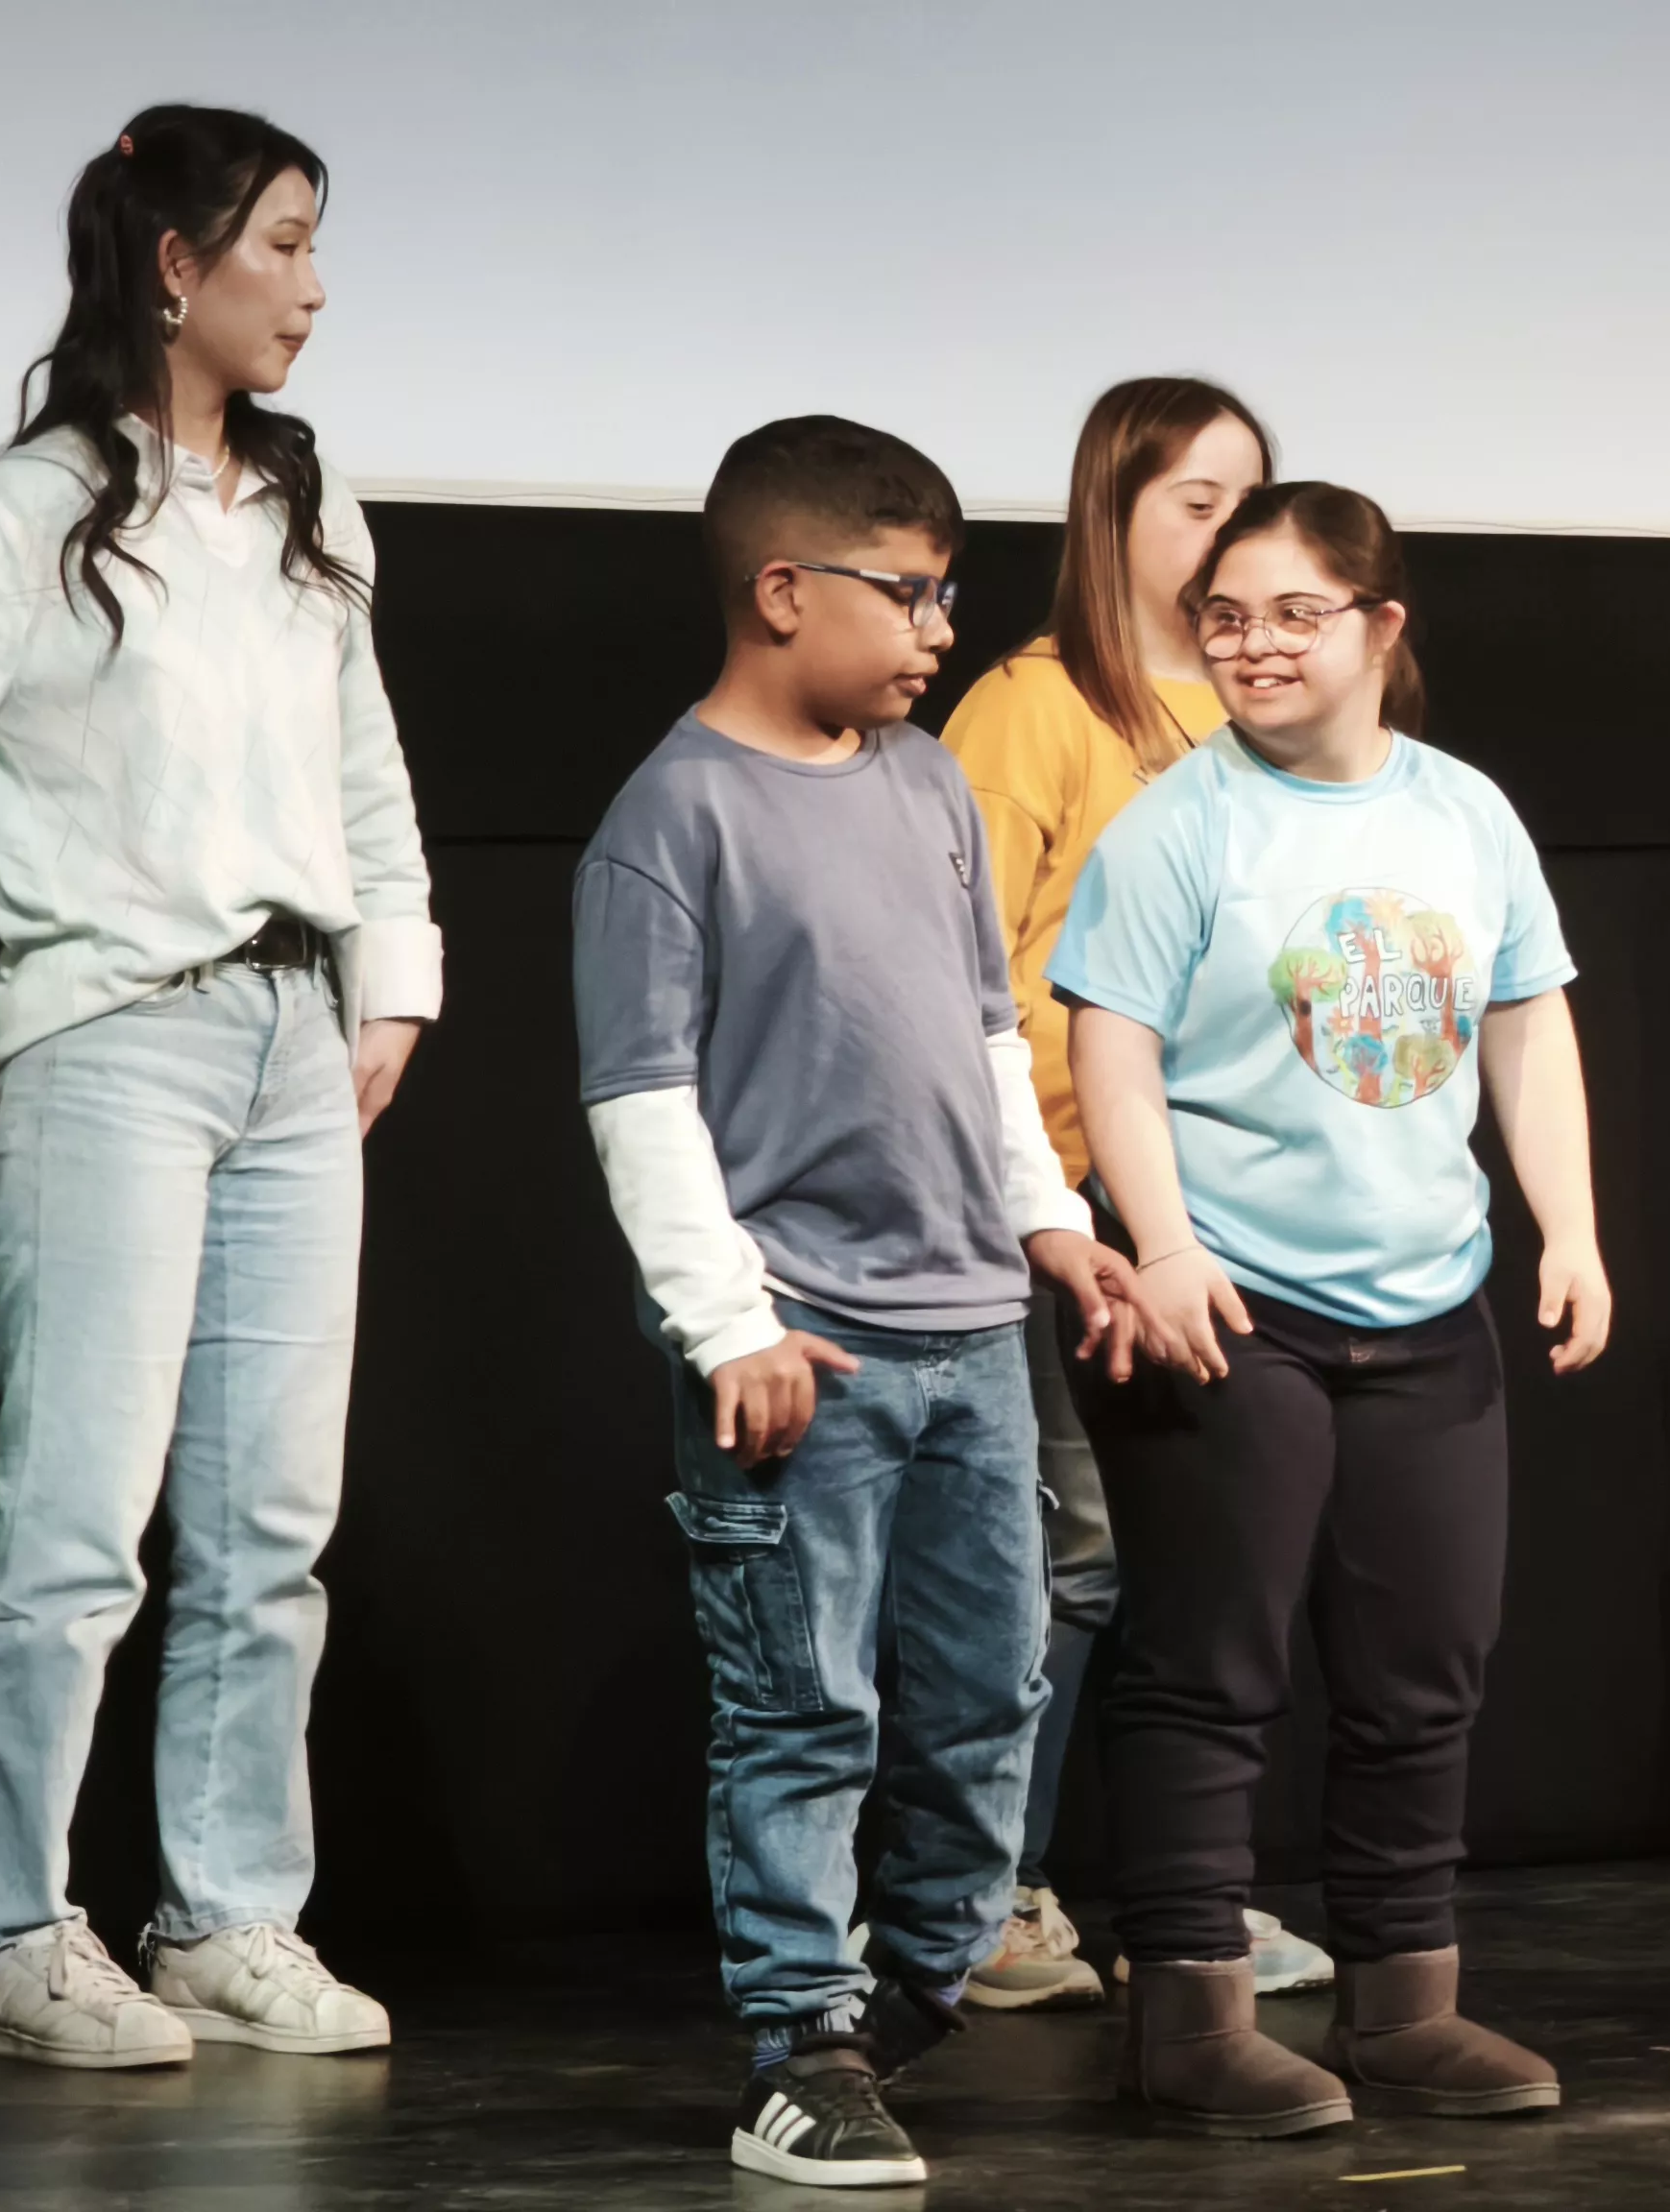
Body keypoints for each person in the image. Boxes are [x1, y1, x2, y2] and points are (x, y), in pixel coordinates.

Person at [0, 105, 435, 2069]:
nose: (313, 289)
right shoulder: (33, 509)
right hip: (112, 1035)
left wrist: (388, 983)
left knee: (272, 1523)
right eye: (285, 245)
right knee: (77, 1519)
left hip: (288, 1036)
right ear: (177, 264)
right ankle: (2, 1931)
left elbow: (368, 787)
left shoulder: (310, 516)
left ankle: (232, 1915)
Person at [574, 415, 1142, 2190]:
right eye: (904, 593)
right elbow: (642, 1098)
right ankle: (799, 2045)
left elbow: (985, 1035)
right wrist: (726, 1323)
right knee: (803, 1708)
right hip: (807, 1340)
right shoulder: (671, 819)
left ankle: (899, 2003)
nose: (937, 628)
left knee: (992, 1692)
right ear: (781, 589)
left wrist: (1048, 1223)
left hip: (975, 1328)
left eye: (948, 591)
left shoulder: (918, 783)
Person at [1054, 483, 1607, 2135]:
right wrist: (1159, 1245)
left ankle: (1403, 2001)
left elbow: (1528, 1022)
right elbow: (1110, 1043)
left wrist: (1567, 1228)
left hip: (1428, 1304)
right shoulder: (1182, 823)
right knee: (1210, 1666)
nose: (1255, 645)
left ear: (1380, 628)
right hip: (1236, 1301)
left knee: (1423, 1668)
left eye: (1295, 613)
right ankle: (1191, 2016)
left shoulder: (1463, 811)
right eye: (1227, 616)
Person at [936, 377, 1332, 2005]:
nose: (1224, 535)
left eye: (1251, 504)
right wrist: (1057, 1190)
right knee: (1068, 1554)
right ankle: (997, 1896)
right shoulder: (1036, 707)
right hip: (1061, 1196)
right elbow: (957, 959)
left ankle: (1176, 1894)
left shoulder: (1256, 731)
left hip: (1220, 1208)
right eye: (1194, 503)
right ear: (1113, 511)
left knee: (1197, 1565)